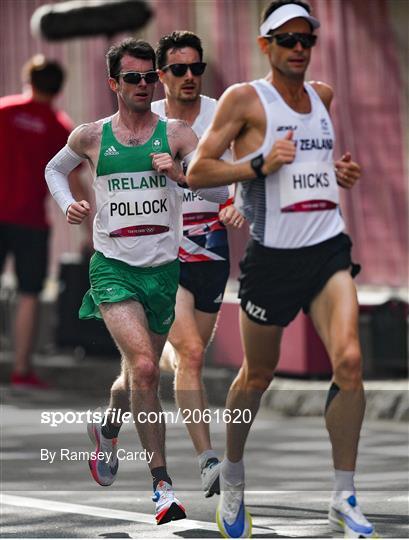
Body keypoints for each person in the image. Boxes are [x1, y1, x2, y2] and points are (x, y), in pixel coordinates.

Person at [188, 1, 376, 538]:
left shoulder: (322, 97)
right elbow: (198, 170)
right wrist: (257, 164)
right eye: (287, 38)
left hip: (326, 247)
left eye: (306, 39)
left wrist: (335, 172)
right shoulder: (244, 99)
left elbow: (310, 163)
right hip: (272, 258)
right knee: (257, 376)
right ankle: (236, 475)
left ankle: (343, 496)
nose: (299, 47)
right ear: (265, 44)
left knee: (350, 361)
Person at [45, 38, 229, 525]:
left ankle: (107, 426)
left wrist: (183, 177)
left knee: (135, 374)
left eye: (150, 77)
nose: (145, 85)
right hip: (113, 268)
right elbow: (54, 169)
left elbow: (221, 190)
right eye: (133, 78)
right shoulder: (90, 136)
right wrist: (69, 205)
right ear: (114, 84)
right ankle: (161, 487)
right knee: (147, 368)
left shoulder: (178, 134)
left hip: (162, 271)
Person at [151, 31, 245, 498]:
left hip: (209, 247)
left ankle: (112, 414)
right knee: (189, 353)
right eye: (179, 69)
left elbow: (244, 173)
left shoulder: (220, 115)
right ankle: (209, 461)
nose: (189, 77)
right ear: (160, 75)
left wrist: (236, 203)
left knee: (174, 358)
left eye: (197, 68)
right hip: (159, 252)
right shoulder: (142, 123)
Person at [0, 55, 84, 389]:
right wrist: (90, 231)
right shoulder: (59, 126)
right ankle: (21, 370)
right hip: (30, 222)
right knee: (29, 294)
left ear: (28, 79)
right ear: (59, 88)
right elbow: (76, 182)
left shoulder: (3, 111)